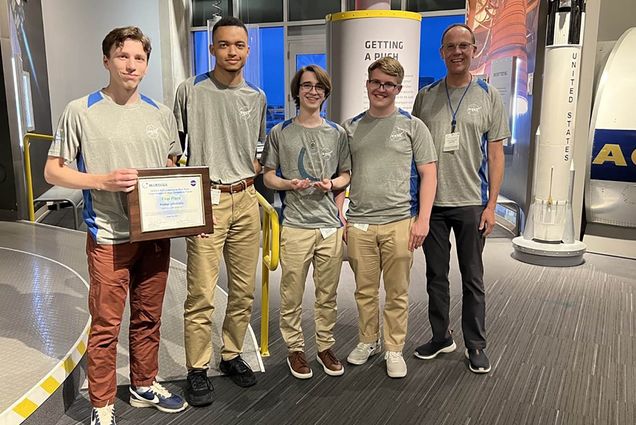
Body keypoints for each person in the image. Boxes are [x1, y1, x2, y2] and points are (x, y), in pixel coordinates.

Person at [44, 26, 187, 425]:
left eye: (139, 58)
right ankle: (102, 403)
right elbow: (53, 170)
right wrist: (102, 181)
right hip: (108, 234)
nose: (131, 64)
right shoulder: (81, 110)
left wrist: (184, 205)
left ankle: (143, 384)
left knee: (149, 316)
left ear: (146, 64)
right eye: (122, 56)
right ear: (106, 61)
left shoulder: (161, 113)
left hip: (155, 235)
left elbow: (173, 165)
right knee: (106, 324)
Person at [173, 16, 267, 405]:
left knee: (243, 289)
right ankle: (197, 367)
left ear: (248, 49)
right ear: (212, 49)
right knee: (201, 292)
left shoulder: (257, 97)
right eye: (224, 44)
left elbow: (258, 150)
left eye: (239, 45)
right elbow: (173, 148)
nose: (232, 51)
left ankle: (231, 355)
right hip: (206, 198)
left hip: (246, 197)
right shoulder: (190, 91)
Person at [411, 23, 509, 374]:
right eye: (450, 46)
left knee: (472, 278)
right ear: (442, 52)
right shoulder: (426, 96)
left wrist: (492, 205)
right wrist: (415, 207)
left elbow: (496, 155)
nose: (457, 52)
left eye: (464, 46)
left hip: (471, 202)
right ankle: (441, 336)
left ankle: (476, 344)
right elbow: (415, 153)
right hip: (433, 205)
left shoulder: (488, 95)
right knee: (435, 276)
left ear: (474, 50)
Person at [342, 57, 437, 378]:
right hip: (360, 223)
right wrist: (341, 217)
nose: (381, 89)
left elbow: (429, 175)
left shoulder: (413, 127)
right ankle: (367, 340)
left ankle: (393, 348)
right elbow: (343, 174)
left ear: (398, 89)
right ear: (367, 84)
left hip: (400, 222)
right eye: (376, 82)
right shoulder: (351, 128)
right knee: (364, 290)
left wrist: (423, 220)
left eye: (389, 84)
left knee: (397, 292)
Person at [261, 65, 351, 379]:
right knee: (292, 293)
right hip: (296, 225)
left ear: (326, 93)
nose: (313, 91)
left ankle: (325, 345)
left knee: (327, 293)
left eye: (319, 87)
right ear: (297, 91)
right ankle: (295, 350)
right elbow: (269, 176)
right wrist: (289, 184)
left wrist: (333, 184)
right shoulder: (280, 132)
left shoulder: (337, 133)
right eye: (306, 86)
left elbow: (346, 174)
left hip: (328, 226)